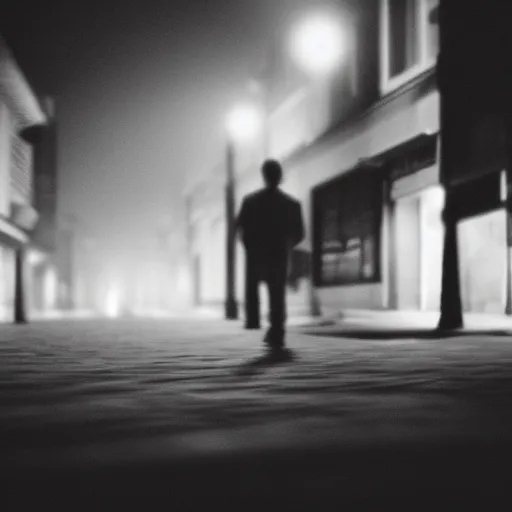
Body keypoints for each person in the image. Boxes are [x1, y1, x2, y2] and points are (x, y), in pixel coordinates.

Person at [236, 159, 305, 350]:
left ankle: (257, 322)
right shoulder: (291, 205)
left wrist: (250, 245)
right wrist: (286, 244)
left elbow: (240, 227)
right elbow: (299, 233)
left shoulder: (250, 202)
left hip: (257, 255)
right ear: (279, 176)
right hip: (278, 255)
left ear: (264, 176)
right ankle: (277, 331)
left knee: (255, 290)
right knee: (277, 294)